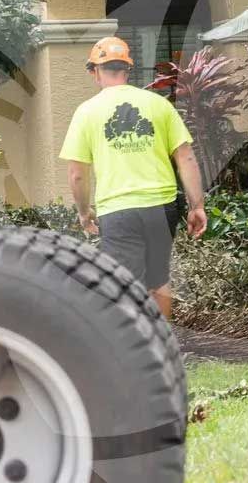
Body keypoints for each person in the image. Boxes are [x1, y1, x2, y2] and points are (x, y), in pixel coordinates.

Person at [62, 36, 207, 319]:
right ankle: (162, 349)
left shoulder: (86, 112)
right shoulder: (158, 105)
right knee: (158, 282)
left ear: (95, 72)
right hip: (162, 207)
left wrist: (83, 212)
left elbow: (77, 174)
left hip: (118, 211)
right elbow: (186, 158)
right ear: (127, 70)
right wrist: (196, 206)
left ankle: (134, 354)